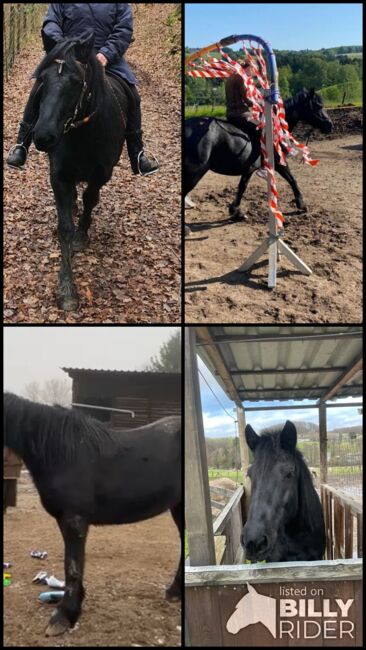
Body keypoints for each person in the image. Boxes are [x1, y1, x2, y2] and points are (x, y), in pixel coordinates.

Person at [7, 3, 159, 176]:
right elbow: (51, 23)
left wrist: (106, 54)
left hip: (105, 59)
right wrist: (63, 48)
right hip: (68, 58)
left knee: (133, 95)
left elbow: (124, 28)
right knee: (39, 88)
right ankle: (22, 145)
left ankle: (137, 153)